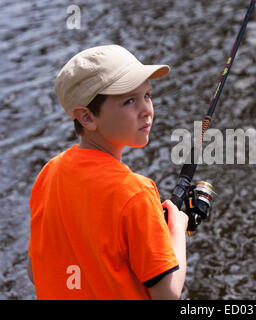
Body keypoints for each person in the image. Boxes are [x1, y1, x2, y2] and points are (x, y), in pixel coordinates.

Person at [27, 45, 188, 300]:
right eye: (129, 100)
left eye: (147, 95)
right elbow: (167, 295)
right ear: (87, 117)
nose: (146, 110)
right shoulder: (136, 193)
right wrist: (177, 229)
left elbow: (34, 272)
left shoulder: (49, 175)